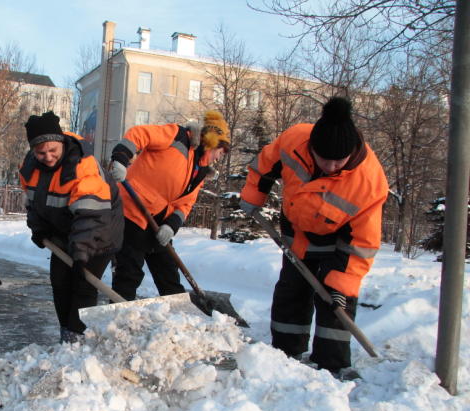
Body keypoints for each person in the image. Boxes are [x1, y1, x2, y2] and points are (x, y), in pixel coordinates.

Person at [239, 96, 388, 375]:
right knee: (292, 291)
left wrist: (343, 282)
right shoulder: (295, 140)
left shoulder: (369, 181)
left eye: (338, 161)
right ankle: (285, 352)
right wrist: (253, 195)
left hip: (338, 242)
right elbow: (263, 165)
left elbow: (364, 242)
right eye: (324, 159)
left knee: (335, 301)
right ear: (311, 149)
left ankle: (332, 364)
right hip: (296, 229)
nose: (330, 167)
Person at [19, 111, 123, 343]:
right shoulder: (30, 167)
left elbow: (91, 216)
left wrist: (81, 253)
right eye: (41, 152)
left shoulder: (82, 165)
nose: (47, 157)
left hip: (100, 230)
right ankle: (66, 333)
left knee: (83, 285)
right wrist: (39, 228)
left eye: (52, 150)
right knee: (59, 282)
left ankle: (78, 339)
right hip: (64, 230)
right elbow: (33, 202)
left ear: (61, 143)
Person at [108, 111, 230, 300]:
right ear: (213, 143)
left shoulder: (201, 171)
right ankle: (119, 322)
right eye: (220, 152)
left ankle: (178, 318)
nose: (219, 158)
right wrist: (121, 158)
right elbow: (139, 133)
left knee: (168, 274)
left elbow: (186, 204)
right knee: (129, 273)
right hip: (131, 212)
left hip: (158, 222)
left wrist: (170, 226)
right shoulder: (177, 137)